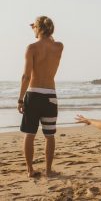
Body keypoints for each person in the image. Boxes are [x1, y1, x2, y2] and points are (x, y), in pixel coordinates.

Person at [17, 16, 63, 178]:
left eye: (35, 27)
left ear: (39, 29)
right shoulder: (58, 47)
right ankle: (49, 170)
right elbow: (50, 40)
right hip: (50, 96)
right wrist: (40, 30)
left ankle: (30, 170)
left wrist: (20, 99)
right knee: (49, 136)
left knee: (30, 134)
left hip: (34, 95)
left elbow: (26, 77)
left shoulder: (31, 48)